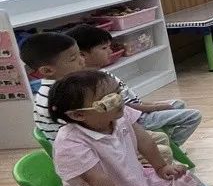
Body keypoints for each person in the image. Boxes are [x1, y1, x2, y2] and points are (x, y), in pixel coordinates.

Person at [47, 70, 213, 186]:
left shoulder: (120, 115)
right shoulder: (71, 141)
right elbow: (96, 179)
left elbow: (144, 140)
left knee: (181, 179)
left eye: (118, 93)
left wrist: (161, 167)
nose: (119, 101)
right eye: (108, 100)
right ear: (78, 115)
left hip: (132, 180)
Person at [66, 24, 203, 145]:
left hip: (138, 112)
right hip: (138, 119)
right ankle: (171, 146)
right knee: (193, 116)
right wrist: (156, 107)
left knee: (178, 104)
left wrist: (154, 106)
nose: (110, 51)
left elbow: (131, 101)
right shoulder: (96, 81)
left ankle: (164, 140)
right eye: (104, 48)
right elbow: (125, 106)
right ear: (83, 55)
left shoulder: (102, 73)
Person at [21, 31, 85, 142]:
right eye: (73, 59)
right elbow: (85, 128)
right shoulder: (58, 97)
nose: (82, 60)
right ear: (47, 70)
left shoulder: (66, 86)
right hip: (74, 150)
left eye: (80, 54)